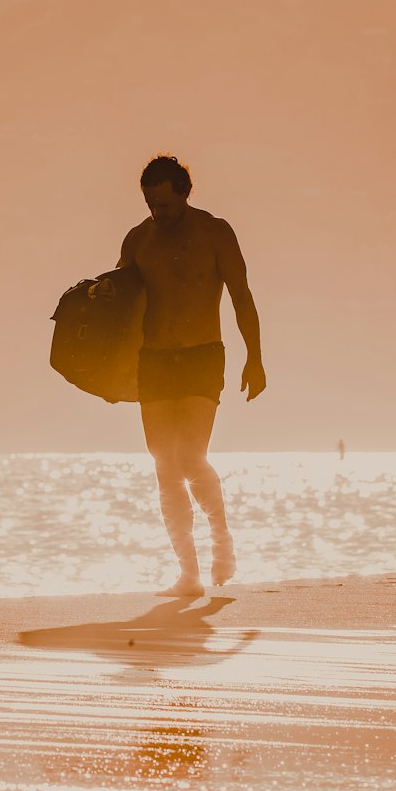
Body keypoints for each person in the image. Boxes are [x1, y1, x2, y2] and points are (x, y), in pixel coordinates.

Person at [111, 154, 266, 598]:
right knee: (165, 467)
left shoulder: (215, 232)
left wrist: (254, 357)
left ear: (185, 192)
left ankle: (222, 542)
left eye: (165, 204)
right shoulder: (138, 239)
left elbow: (241, 296)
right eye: (150, 205)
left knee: (190, 457)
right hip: (154, 361)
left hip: (202, 357)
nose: (158, 214)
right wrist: (107, 372)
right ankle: (188, 573)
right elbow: (117, 310)